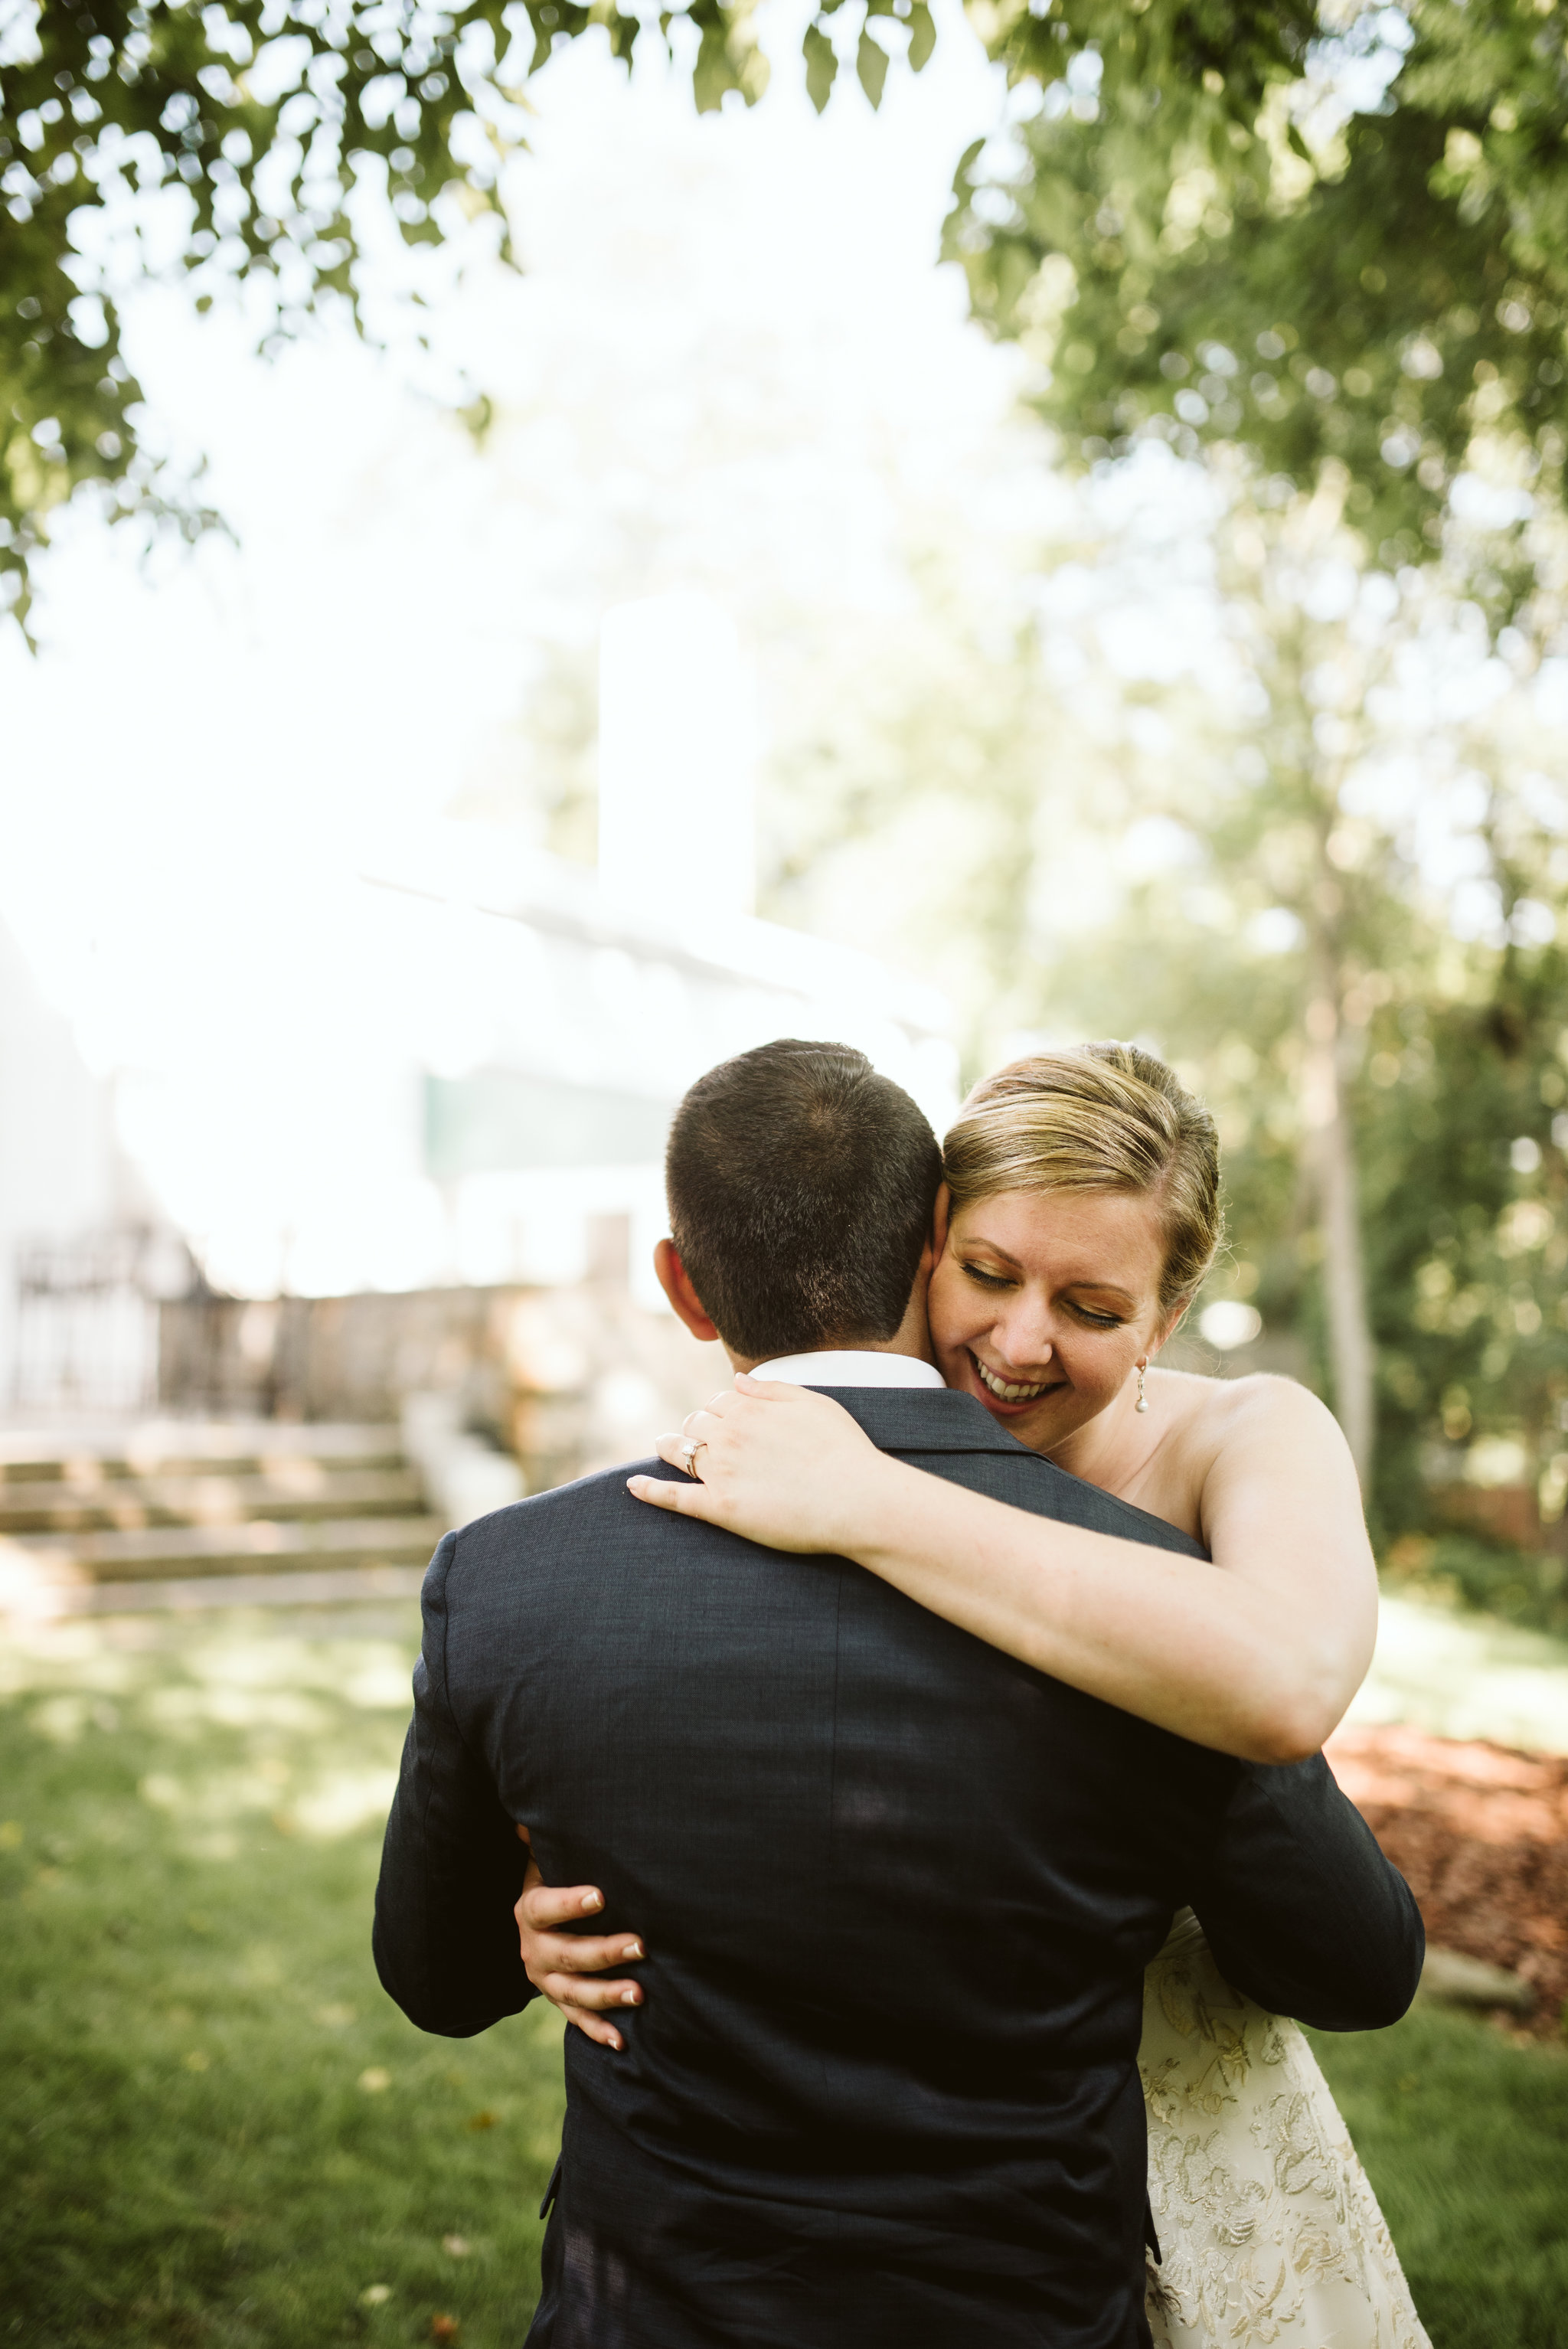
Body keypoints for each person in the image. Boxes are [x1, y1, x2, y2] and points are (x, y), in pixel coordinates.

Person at [377, 1037, 1423, 2349]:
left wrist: (870, 1501)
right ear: (930, 1237)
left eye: (1094, 1309)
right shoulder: (601, 1545)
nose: (1020, 1341)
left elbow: (1294, 1749)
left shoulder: (1219, 1502)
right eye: (989, 1274)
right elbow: (1352, 1956)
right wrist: (529, 1920)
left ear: (1167, 1316)